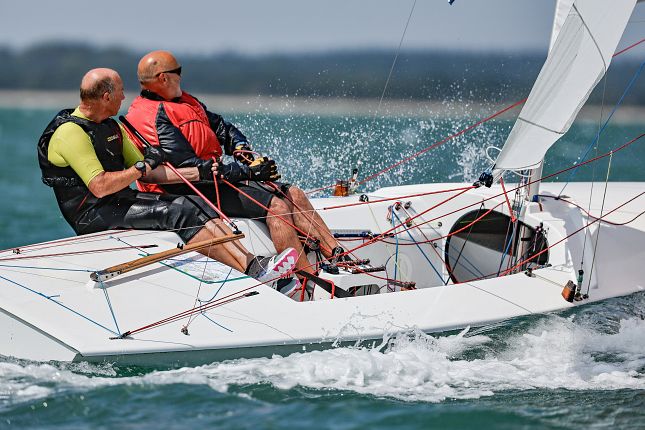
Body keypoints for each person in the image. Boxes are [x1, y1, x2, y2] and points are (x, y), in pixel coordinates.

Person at [37, 68, 297, 285]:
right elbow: (100, 186)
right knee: (179, 212)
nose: (124, 96)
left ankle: (254, 264)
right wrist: (139, 168)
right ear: (106, 97)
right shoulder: (71, 133)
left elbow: (154, 175)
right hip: (92, 213)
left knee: (194, 204)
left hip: (118, 201)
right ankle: (253, 270)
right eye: (119, 92)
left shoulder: (111, 126)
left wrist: (201, 172)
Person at [125, 51, 348, 285]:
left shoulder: (185, 102)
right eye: (178, 72)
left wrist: (242, 151)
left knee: (294, 193)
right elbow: (187, 169)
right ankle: (307, 282)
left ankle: (339, 258)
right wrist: (247, 173)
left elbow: (222, 128)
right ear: (163, 78)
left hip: (217, 179)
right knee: (276, 207)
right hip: (189, 190)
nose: (181, 77)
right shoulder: (152, 116)